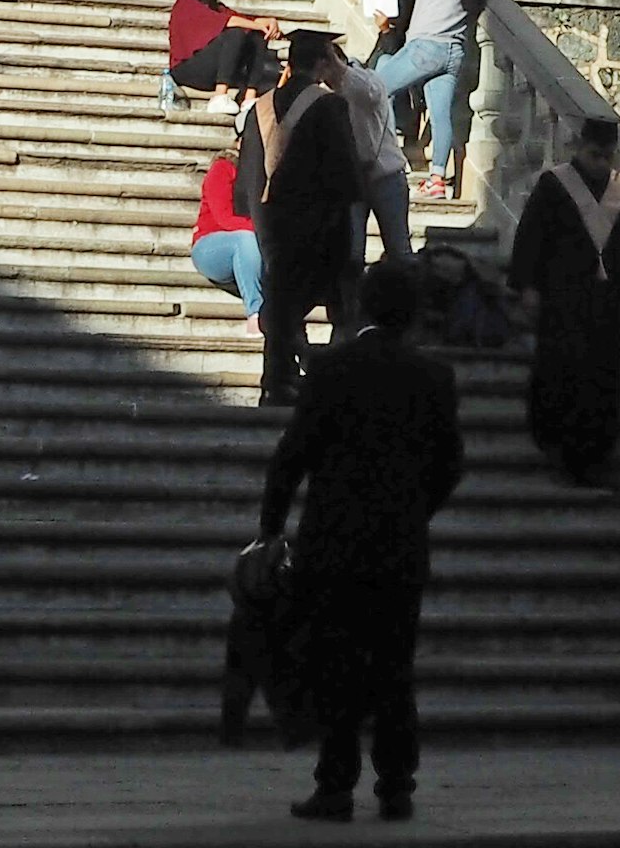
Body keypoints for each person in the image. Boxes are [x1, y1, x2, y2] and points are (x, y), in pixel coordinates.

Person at [260, 251, 467, 824]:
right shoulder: (434, 377)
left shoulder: (332, 369)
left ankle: (336, 786)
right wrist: (414, 511)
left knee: (337, 666)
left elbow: (291, 457)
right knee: (394, 668)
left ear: (361, 306)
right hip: (399, 548)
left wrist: (272, 529)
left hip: (333, 544)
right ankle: (396, 785)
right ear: (415, 314)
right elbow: (451, 464)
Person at [506, 112, 620, 489]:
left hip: (603, 306)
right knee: (559, 375)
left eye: (606, 157)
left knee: (600, 382)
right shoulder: (554, 185)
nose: (600, 163)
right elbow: (531, 238)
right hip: (561, 300)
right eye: (595, 154)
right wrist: (528, 286)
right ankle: (557, 448)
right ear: (580, 149)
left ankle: (594, 456)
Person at [242, 33, 366, 408]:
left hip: (272, 224)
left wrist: (262, 223)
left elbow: (247, 174)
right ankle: (327, 380)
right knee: (337, 303)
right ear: (321, 63)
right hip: (319, 223)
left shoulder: (258, 108)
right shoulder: (329, 106)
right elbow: (344, 172)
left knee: (280, 304)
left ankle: (277, 381)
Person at [372, 0, 487, 202]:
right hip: (454, 52)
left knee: (377, 87)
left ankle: (388, 159)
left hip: (427, 47)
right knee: (440, 116)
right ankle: (437, 179)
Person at [332, 43, 413, 279]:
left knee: (399, 250)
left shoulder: (364, 81)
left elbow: (371, 91)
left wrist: (339, 69)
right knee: (352, 255)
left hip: (386, 177)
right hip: (351, 182)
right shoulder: (324, 95)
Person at [168, 0, 284, 107]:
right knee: (235, 33)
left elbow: (241, 19)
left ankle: (249, 96)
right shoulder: (186, 3)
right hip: (186, 70)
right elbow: (227, 22)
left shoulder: (216, 7)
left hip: (211, 71)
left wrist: (267, 23)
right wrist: (256, 24)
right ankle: (219, 96)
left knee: (255, 35)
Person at [189, 143, 264, 330]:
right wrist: (265, 230)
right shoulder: (223, 168)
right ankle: (256, 313)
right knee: (246, 239)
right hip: (210, 246)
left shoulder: (261, 174)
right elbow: (225, 219)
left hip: (251, 245)